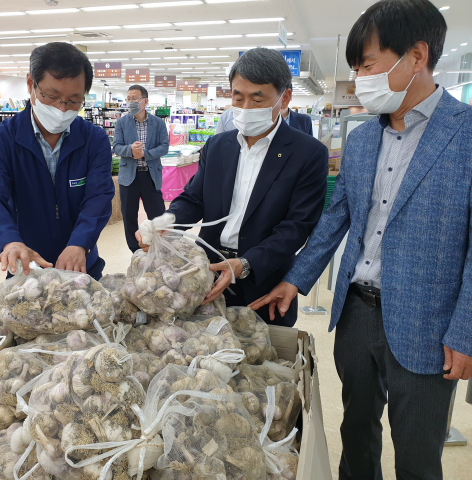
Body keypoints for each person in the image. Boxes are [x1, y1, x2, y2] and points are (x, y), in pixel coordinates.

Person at [251, 1, 472, 478]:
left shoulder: (467, 133)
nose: (359, 79)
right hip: (356, 313)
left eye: (368, 65)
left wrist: (465, 330)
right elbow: (338, 217)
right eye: (355, 68)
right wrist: (296, 279)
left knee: (416, 450)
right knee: (356, 436)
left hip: (428, 324)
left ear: (416, 56)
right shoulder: (363, 139)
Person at [137, 47, 329, 327]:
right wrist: (167, 221)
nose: (246, 108)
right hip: (208, 275)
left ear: (284, 97)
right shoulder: (218, 146)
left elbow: (296, 227)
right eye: (238, 98)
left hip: (264, 283)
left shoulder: (307, 153)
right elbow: (194, 198)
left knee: (260, 361)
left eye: (257, 98)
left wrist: (246, 263)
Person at [0, 42, 114, 279]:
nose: (61, 108)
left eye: (73, 101)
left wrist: (80, 243)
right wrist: (9, 241)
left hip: (81, 265)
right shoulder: (2, 138)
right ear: (31, 84)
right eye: (52, 96)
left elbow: (98, 198)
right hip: (26, 265)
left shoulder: (94, 140)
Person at [113, 85, 169, 253]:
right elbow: (116, 147)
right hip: (129, 177)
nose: (131, 102)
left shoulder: (158, 123)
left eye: (135, 98)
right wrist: (130, 150)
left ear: (145, 101)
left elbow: (164, 147)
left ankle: (161, 247)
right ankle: (135, 250)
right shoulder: (122, 122)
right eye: (128, 98)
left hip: (150, 175)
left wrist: (144, 154)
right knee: (129, 216)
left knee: (158, 215)